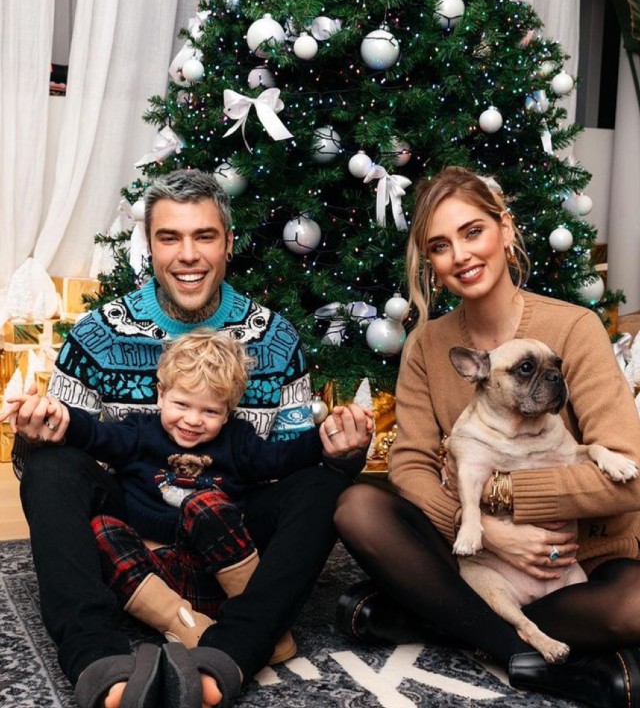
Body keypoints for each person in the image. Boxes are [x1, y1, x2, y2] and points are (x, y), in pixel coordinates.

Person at [6, 168, 372, 708]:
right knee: (49, 466)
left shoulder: (275, 338)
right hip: (132, 532)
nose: (188, 255)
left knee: (323, 487)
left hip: (231, 535)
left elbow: (290, 462)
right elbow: (66, 452)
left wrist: (340, 451)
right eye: (169, 237)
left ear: (228, 243)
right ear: (149, 245)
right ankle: (96, 659)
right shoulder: (96, 334)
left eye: (204, 236)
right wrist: (40, 433)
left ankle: (234, 649)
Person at [334, 166, 640, 708]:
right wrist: (487, 531)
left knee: (632, 607)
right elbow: (409, 465)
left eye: (472, 232)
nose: (461, 255)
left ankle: (434, 614)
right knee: (358, 507)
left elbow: (630, 475)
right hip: (478, 548)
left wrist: (507, 496)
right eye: (440, 246)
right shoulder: (426, 345)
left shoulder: (574, 326)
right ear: (430, 262)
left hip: (580, 553)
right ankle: (520, 652)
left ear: (505, 228)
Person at [8, 328, 371, 707]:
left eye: (210, 411)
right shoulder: (139, 432)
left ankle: (240, 639)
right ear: (161, 394)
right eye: (182, 404)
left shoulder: (239, 441)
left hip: (216, 570)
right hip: (141, 572)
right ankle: (115, 655)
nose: (193, 420)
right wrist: (62, 417)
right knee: (73, 492)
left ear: (228, 412)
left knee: (310, 485)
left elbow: (285, 458)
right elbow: (95, 434)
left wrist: (328, 437)